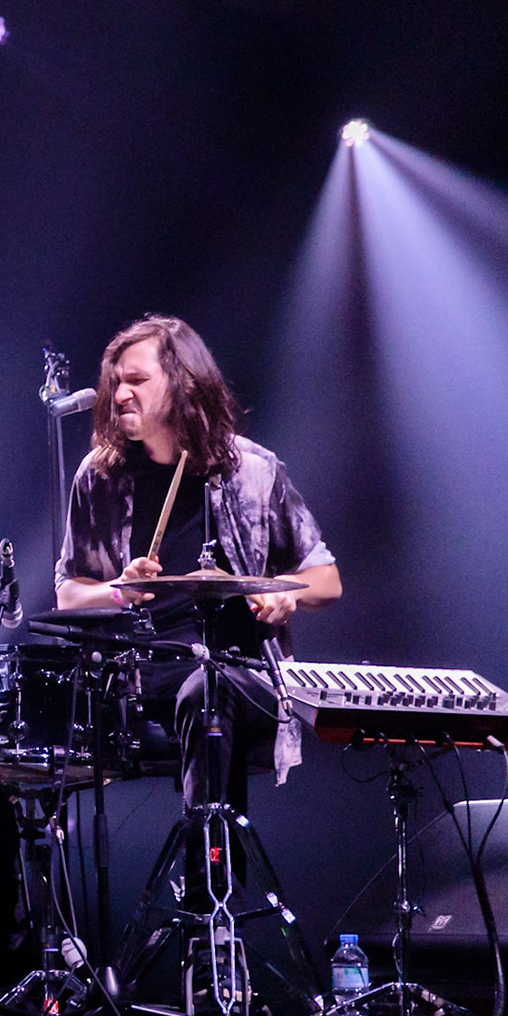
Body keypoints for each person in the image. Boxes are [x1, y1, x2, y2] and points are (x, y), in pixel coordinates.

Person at [53, 314, 341, 813]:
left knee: (208, 688)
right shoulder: (99, 478)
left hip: (244, 679)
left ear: (182, 384)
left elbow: (327, 580)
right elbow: (67, 594)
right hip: (136, 682)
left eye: (137, 380)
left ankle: (210, 880)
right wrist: (117, 590)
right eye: (116, 381)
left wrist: (285, 592)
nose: (120, 394)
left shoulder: (251, 471)